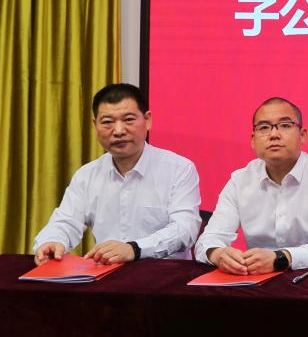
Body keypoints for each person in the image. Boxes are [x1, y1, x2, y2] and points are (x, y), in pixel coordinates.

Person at [32, 83, 201, 264]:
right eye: (107, 122)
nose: (119, 131)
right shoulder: (87, 175)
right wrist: (51, 242)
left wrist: (134, 249)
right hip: (106, 273)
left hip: (165, 274)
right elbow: (65, 222)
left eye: (128, 120)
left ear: (147, 120)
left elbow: (185, 229)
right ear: (95, 125)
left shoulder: (178, 169)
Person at [195, 97, 308, 273]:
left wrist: (281, 258)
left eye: (285, 125)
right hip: (256, 279)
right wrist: (218, 254)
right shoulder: (239, 181)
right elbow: (208, 240)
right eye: (264, 127)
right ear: (253, 139)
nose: (274, 134)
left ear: (303, 135)